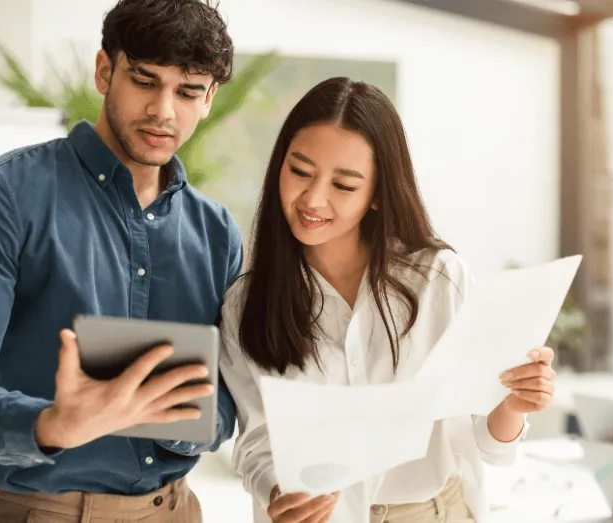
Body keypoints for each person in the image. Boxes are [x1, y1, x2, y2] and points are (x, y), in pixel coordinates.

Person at [0, 1, 243, 521]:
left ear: (209, 97)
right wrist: (50, 425)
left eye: (188, 91)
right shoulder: (3, 197)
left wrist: (185, 419)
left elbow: (228, 400)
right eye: (145, 81)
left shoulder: (217, 233)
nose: (163, 111)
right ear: (105, 71)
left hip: (176, 510)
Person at [217, 77, 559, 523]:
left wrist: (516, 402)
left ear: (377, 194)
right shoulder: (247, 301)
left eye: (344, 185)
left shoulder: (438, 279)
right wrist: (279, 488)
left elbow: (487, 444)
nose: (313, 199)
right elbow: (257, 437)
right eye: (300, 171)